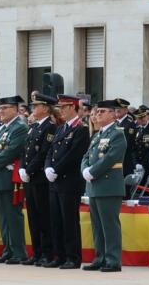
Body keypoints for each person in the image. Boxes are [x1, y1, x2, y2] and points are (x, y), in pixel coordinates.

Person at [45, 95, 90, 269]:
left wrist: (56, 170)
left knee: (69, 220)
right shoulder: (61, 128)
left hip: (69, 181)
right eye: (60, 107)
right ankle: (60, 255)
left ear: (73, 108)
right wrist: (48, 167)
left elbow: (74, 156)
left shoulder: (81, 129)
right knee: (56, 220)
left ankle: (73, 256)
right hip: (55, 181)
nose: (61, 110)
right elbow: (51, 151)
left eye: (64, 107)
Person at [81, 100, 127, 272]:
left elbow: (111, 157)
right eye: (97, 111)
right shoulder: (97, 135)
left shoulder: (117, 134)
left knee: (109, 224)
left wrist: (92, 171)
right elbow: (86, 156)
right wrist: (85, 169)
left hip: (108, 184)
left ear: (113, 114)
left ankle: (113, 260)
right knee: (97, 225)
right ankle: (100, 257)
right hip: (94, 185)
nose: (98, 114)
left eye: (102, 111)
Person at [0, 95, 29, 264]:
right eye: (0, 109)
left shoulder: (20, 127)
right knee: (3, 217)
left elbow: (11, 151)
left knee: (13, 216)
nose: (1, 111)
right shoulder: (1, 128)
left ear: (16, 109)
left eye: (5, 108)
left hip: (9, 177)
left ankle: (18, 251)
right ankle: (8, 249)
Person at [19, 93, 57, 267]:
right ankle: (37, 252)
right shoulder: (34, 127)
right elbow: (26, 149)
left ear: (46, 108)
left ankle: (47, 253)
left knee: (43, 216)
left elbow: (43, 153)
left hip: (40, 177)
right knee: (33, 217)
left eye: (37, 105)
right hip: (29, 178)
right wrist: (22, 168)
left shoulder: (50, 127)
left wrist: (28, 169)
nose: (33, 108)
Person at [115, 98, 137, 181]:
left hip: (125, 161)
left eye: (120, 108)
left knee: (125, 190)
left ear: (126, 110)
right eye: (116, 108)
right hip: (115, 161)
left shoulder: (129, 124)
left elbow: (126, 143)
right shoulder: (114, 123)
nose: (117, 110)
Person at [133, 108, 149, 184]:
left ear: (146, 116)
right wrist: (136, 163)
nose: (142, 119)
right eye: (139, 118)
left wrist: (143, 164)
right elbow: (134, 149)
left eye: (143, 117)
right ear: (136, 119)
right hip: (137, 164)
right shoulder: (137, 130)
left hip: (148, 164)